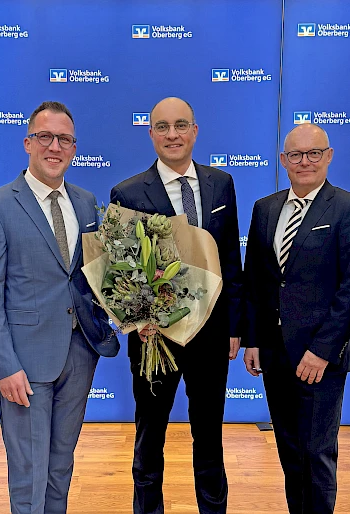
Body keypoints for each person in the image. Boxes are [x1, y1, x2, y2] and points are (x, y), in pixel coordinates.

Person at [0, 101, 118, 514]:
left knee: (60, 465)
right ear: (28, 143)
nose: (55, 147)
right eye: (45, 137)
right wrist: (4, 366)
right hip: (25, 364)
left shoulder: (86, 203)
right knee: (28, 472)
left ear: (74, 148)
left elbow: (94, 277)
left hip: (80, 354)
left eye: (64, 139)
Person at [110, 97, 242, 514]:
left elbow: (230, 261)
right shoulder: (128, 192)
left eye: (181, 125)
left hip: (211, 335)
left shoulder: (222, 183)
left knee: (210, 438)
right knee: (150, 438)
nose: (172, 135)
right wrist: (137, 319)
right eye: (163, 127)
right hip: (155, 339)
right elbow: (119, 268)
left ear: (194, 131)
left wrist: (235, 326)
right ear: (151, 133)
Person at [242, 124, 350, 514]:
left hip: (320, 358)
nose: (304, 162)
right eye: (295, 155)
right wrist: (253, 339)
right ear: (283, 160)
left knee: (317, 453)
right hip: (275, 354)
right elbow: (256, 280)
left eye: (314, 153)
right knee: (290, 450)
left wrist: (323, 350)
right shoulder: (265, 208)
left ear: (329, 156)